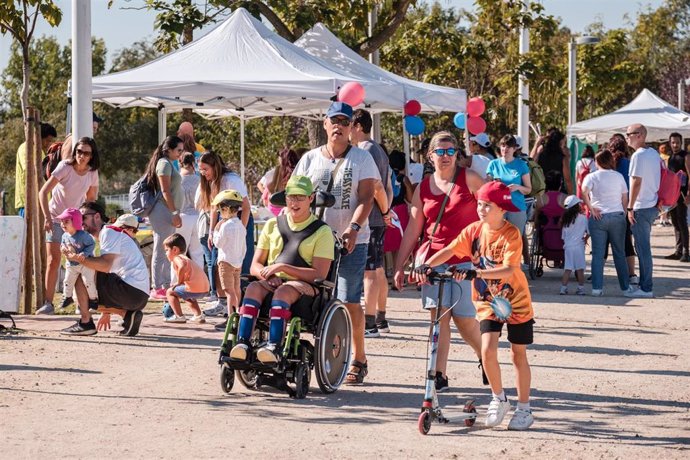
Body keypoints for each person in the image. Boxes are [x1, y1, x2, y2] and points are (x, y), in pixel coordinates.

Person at [418, 181, 535, 431]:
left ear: (502, 209)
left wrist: (476, 273)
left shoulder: (511, 234)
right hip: (488, 302)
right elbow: (450, 250)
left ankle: (524, 407)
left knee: (518, 354)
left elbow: (509, 269)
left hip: (516, 301)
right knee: (488, 350)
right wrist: (427, 264)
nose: (481, 209)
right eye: (480, 204)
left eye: (487, 205)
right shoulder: (473, 231)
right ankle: (499, 398)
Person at [293, 101, 379, 384]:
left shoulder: (362, 159)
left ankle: (358, 358)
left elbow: (367, 198)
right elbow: (294, 194)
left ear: (352, 127)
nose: (339, 126)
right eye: (334, 121)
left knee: (348, 300)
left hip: (350, 241)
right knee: (305, 293)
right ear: (325, 125)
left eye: (345, 121)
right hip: (314, 240)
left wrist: (354, 228)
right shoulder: (309, 159)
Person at [393, 131, 485, 392]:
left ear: (457, 154)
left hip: (466, 259)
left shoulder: (470, 179)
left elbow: (490, 214)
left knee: (464, 318)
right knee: (439, 315)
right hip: (433, 259)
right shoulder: (423, 187)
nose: (445, 157)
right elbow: (413, 228)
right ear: (430, 156)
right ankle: (439, 374)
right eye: (439, 152)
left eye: (450, 151)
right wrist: (400, 266)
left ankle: (484, 356)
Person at [230, 176, 334, 363]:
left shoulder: (322, 231)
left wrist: (283, 267)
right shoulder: (272, 225)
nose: (294, 202)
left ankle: (274, 347)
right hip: (273, 281)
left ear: (311, 198)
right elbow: (255, 265)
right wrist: (268, 275)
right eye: (291, 197)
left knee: (283, 292)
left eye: (300, 197)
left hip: (307, 285)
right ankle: (243, 343)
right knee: (253, 288)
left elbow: (319, 274)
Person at [60, 206, 149, 337]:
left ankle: (86, 323)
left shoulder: (108, 231)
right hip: (138, 296)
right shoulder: (110, 235)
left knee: (78, 271)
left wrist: (78, 259)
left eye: (83, 217)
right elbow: (108, 272)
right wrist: (105, 313)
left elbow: (105, 266)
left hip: (131, 291)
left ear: (97, 216)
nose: (80, 221)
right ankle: (128, 316)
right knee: (86, 284)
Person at [37, 137, 99, 315]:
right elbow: (43, 192)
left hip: (76, 222)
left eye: (86, 153)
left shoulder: (92, 172)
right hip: (56, 218)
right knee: (53, 260)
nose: (82, 156)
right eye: (79, 151)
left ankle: (83, 304)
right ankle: (48, 303)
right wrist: (47, 218)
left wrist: (89, 220)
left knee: (81, 261)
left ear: (91, 155)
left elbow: (91, 198)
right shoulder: (65, 166)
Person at [350, 108, 393, 337]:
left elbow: (377, 187)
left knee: (370, 271)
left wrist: (384, 211)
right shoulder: (378, 150)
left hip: (372, 217)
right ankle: (380, 318)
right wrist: (387, 211)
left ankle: (370, 323)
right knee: (376, 269)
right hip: (378, 216)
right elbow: (387, 186)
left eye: (350, 126)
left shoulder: (366, 152)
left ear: (357, 127)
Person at [197, 151, 254, 316]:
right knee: (218, 262)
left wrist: (240, 229)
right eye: (200, 170)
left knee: (237, 264)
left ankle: (237, 308)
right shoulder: (214, 182)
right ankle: (223, 303)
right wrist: (211, 231)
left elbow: (246, 207)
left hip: (239, 221)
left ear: (215, 166)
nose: (203, 173)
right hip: (223, 223)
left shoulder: (231, 180)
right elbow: (215, 208)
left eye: (205, 169)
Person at [581, 150, 635, 297]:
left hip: (598, 217)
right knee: (619, 253)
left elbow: (583, 191)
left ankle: (596, 288)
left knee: (597, 255)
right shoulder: (618, 176)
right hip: (617, 216)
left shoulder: (591, 176)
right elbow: (625, 198)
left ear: (597, 162)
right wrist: (623, 213)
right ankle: (625, 288)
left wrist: (591, 208)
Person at [144, 136, 185, 300]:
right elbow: (165, 190)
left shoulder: (168, 164)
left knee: (168, 249)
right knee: (161, 250)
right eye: (178, 150)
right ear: (168, 149)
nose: (180, 154)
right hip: (163, 211)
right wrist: (174, 213)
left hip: (168, 211)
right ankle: (157, 286)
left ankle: (165, 284)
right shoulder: (164, 164)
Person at [626, 124, 660, 298]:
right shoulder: (654, 153)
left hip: (641, 206)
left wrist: (630, 207)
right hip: (652, 204)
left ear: (639, 135)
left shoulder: (638, 156)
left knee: (643, 249)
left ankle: (646, 287)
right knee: (643, 248)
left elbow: (636, 182)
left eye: (628, 134)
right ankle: (645, 285)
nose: (626, 137)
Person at [211, 189, 247, 319]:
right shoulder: (241, 226)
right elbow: (244, 248)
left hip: (226, 262)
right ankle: (239, 312)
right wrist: (240, 259)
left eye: (220, 210)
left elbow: (218, 244)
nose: (220, 213)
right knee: (236, 289)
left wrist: (216, 230)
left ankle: (231, 317)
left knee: (228, 291)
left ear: (226, 209)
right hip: (238, 263)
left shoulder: (225, 226)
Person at [487, 135, 532, 236]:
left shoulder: (521, 165)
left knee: (515, 239)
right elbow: (487, 185)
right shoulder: (493, 164)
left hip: (517, 207)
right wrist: (494, 184)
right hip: (498, 208)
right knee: (497, 239)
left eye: (508, 146)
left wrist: (518, 187)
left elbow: (528, 189)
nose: (505, 149)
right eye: (502, 146)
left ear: (514, 148)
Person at [608, 135, 638, 285]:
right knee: (627, 242)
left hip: (606, 209)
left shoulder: (604, 163)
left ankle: (596, 274)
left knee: (602, 244)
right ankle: (631, 274)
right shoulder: (630, 163)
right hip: (624, 208)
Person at [56, 207, 98, 310]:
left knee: (88, 282)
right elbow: (62, 245)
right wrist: (63, 249)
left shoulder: (83, 235)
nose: (63, 224)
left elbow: (92, 244)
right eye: (61, 221)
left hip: (85, 264)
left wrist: (84, 254)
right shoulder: (65, 236)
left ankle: (93, 299)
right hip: (71, 264)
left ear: (75, 222)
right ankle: (67, 297)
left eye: (66, 221)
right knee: (67, 281)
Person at [163, 233, 209, 323]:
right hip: (205, 289)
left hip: (195, 288)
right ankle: (198, 315)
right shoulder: (186, 258)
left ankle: (179, 316)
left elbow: (182, 266)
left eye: (167, 250)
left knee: (170, 292)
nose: (166, 253)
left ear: (175, 249)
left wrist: (179, 282)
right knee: (186, 294)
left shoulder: (177, 258)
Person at [15, 122, 57, 217]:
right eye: (47, 140)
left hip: (42, 202)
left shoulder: (41, 152)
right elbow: (30, 171)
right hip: (28, 203)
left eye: (51, 141)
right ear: (38, 137)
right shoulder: (25, 148)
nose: (49, 144)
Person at [175, 152, 204, 272]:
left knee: (179, 253)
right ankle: (200, 282)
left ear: (180, 163)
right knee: (197, 253)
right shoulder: (199, 180)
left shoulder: (176, 180)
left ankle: (175, 281)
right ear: (193, 163)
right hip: (198, 217)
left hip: (182, 217)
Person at [666, 133, 689, 261]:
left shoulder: (686, 156)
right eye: (673, 142)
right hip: (672, 195)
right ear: (670, 143)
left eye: (677, 142)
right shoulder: (671, 157)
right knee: (675, 222)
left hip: (682, 195)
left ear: (681, 142)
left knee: (682, 222)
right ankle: (678, 251)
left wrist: (688, 194)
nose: (675, 145)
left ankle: (686, 252)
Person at [559, 196, 588, 295]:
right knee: (580, 269)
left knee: (568, 269)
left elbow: (563, 236)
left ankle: (563, 288)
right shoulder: (583, 218)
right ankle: (580, 288)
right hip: (579, 246)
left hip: (568, 247)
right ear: (577, 206)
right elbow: (588, 231)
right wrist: (586, 238)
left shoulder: (565, 220)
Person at [531, 127, 574, 195]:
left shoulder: (541, 153)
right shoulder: (563, 158)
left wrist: (536, 144)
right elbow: (567, 179)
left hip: (542, 192)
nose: (564, 145)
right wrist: (571, 195)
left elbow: (530, 162)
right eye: (564, 142)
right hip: (559, 193)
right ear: (560, 143)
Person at [261, 148, 300, 216]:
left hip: (273, 210)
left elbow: (265, 194)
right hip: (289, 210)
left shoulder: (277, 171)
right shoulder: (297, 173)